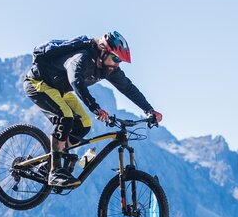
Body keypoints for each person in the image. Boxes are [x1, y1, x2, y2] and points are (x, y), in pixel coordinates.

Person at [24, 30, 163, 187]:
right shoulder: (81, 57)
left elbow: (128, 88)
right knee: (65, 117)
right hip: (39, 84)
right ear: (103, 51)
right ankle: (55, 172)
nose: (117, 64)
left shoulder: (109, 68)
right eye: (116, 58)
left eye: (120, 61)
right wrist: (95, 107)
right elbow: (76, 81)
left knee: (84, 124)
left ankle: (49, 162)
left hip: (60, 90)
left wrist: (149, 110)